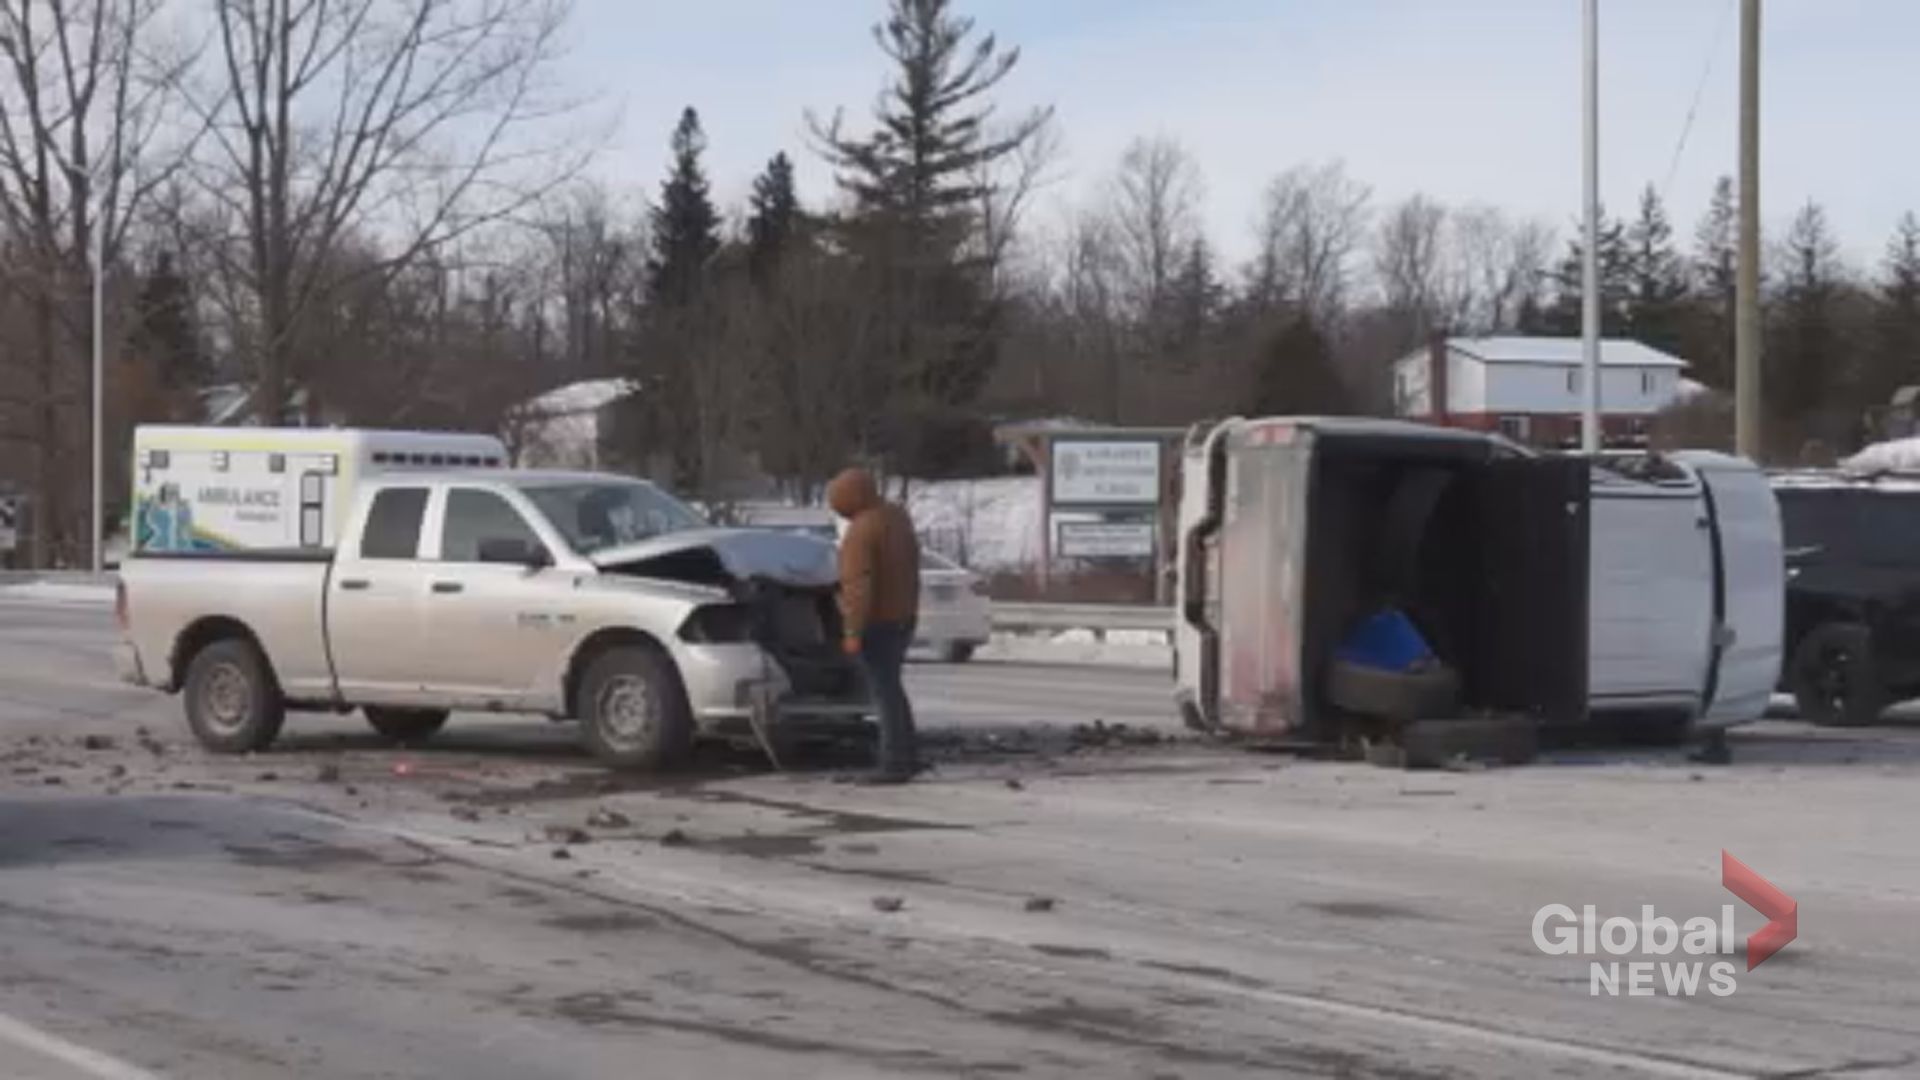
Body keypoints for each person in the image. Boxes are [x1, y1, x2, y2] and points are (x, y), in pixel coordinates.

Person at [826, 467, 922, 783]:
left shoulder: (861, 532)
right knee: (893, 689)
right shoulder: (897, 519)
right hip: (902, 617)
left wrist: (852, 630)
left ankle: (893, 763)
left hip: (877, 621)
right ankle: (909, 755)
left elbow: (858, 585)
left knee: (883, 693)